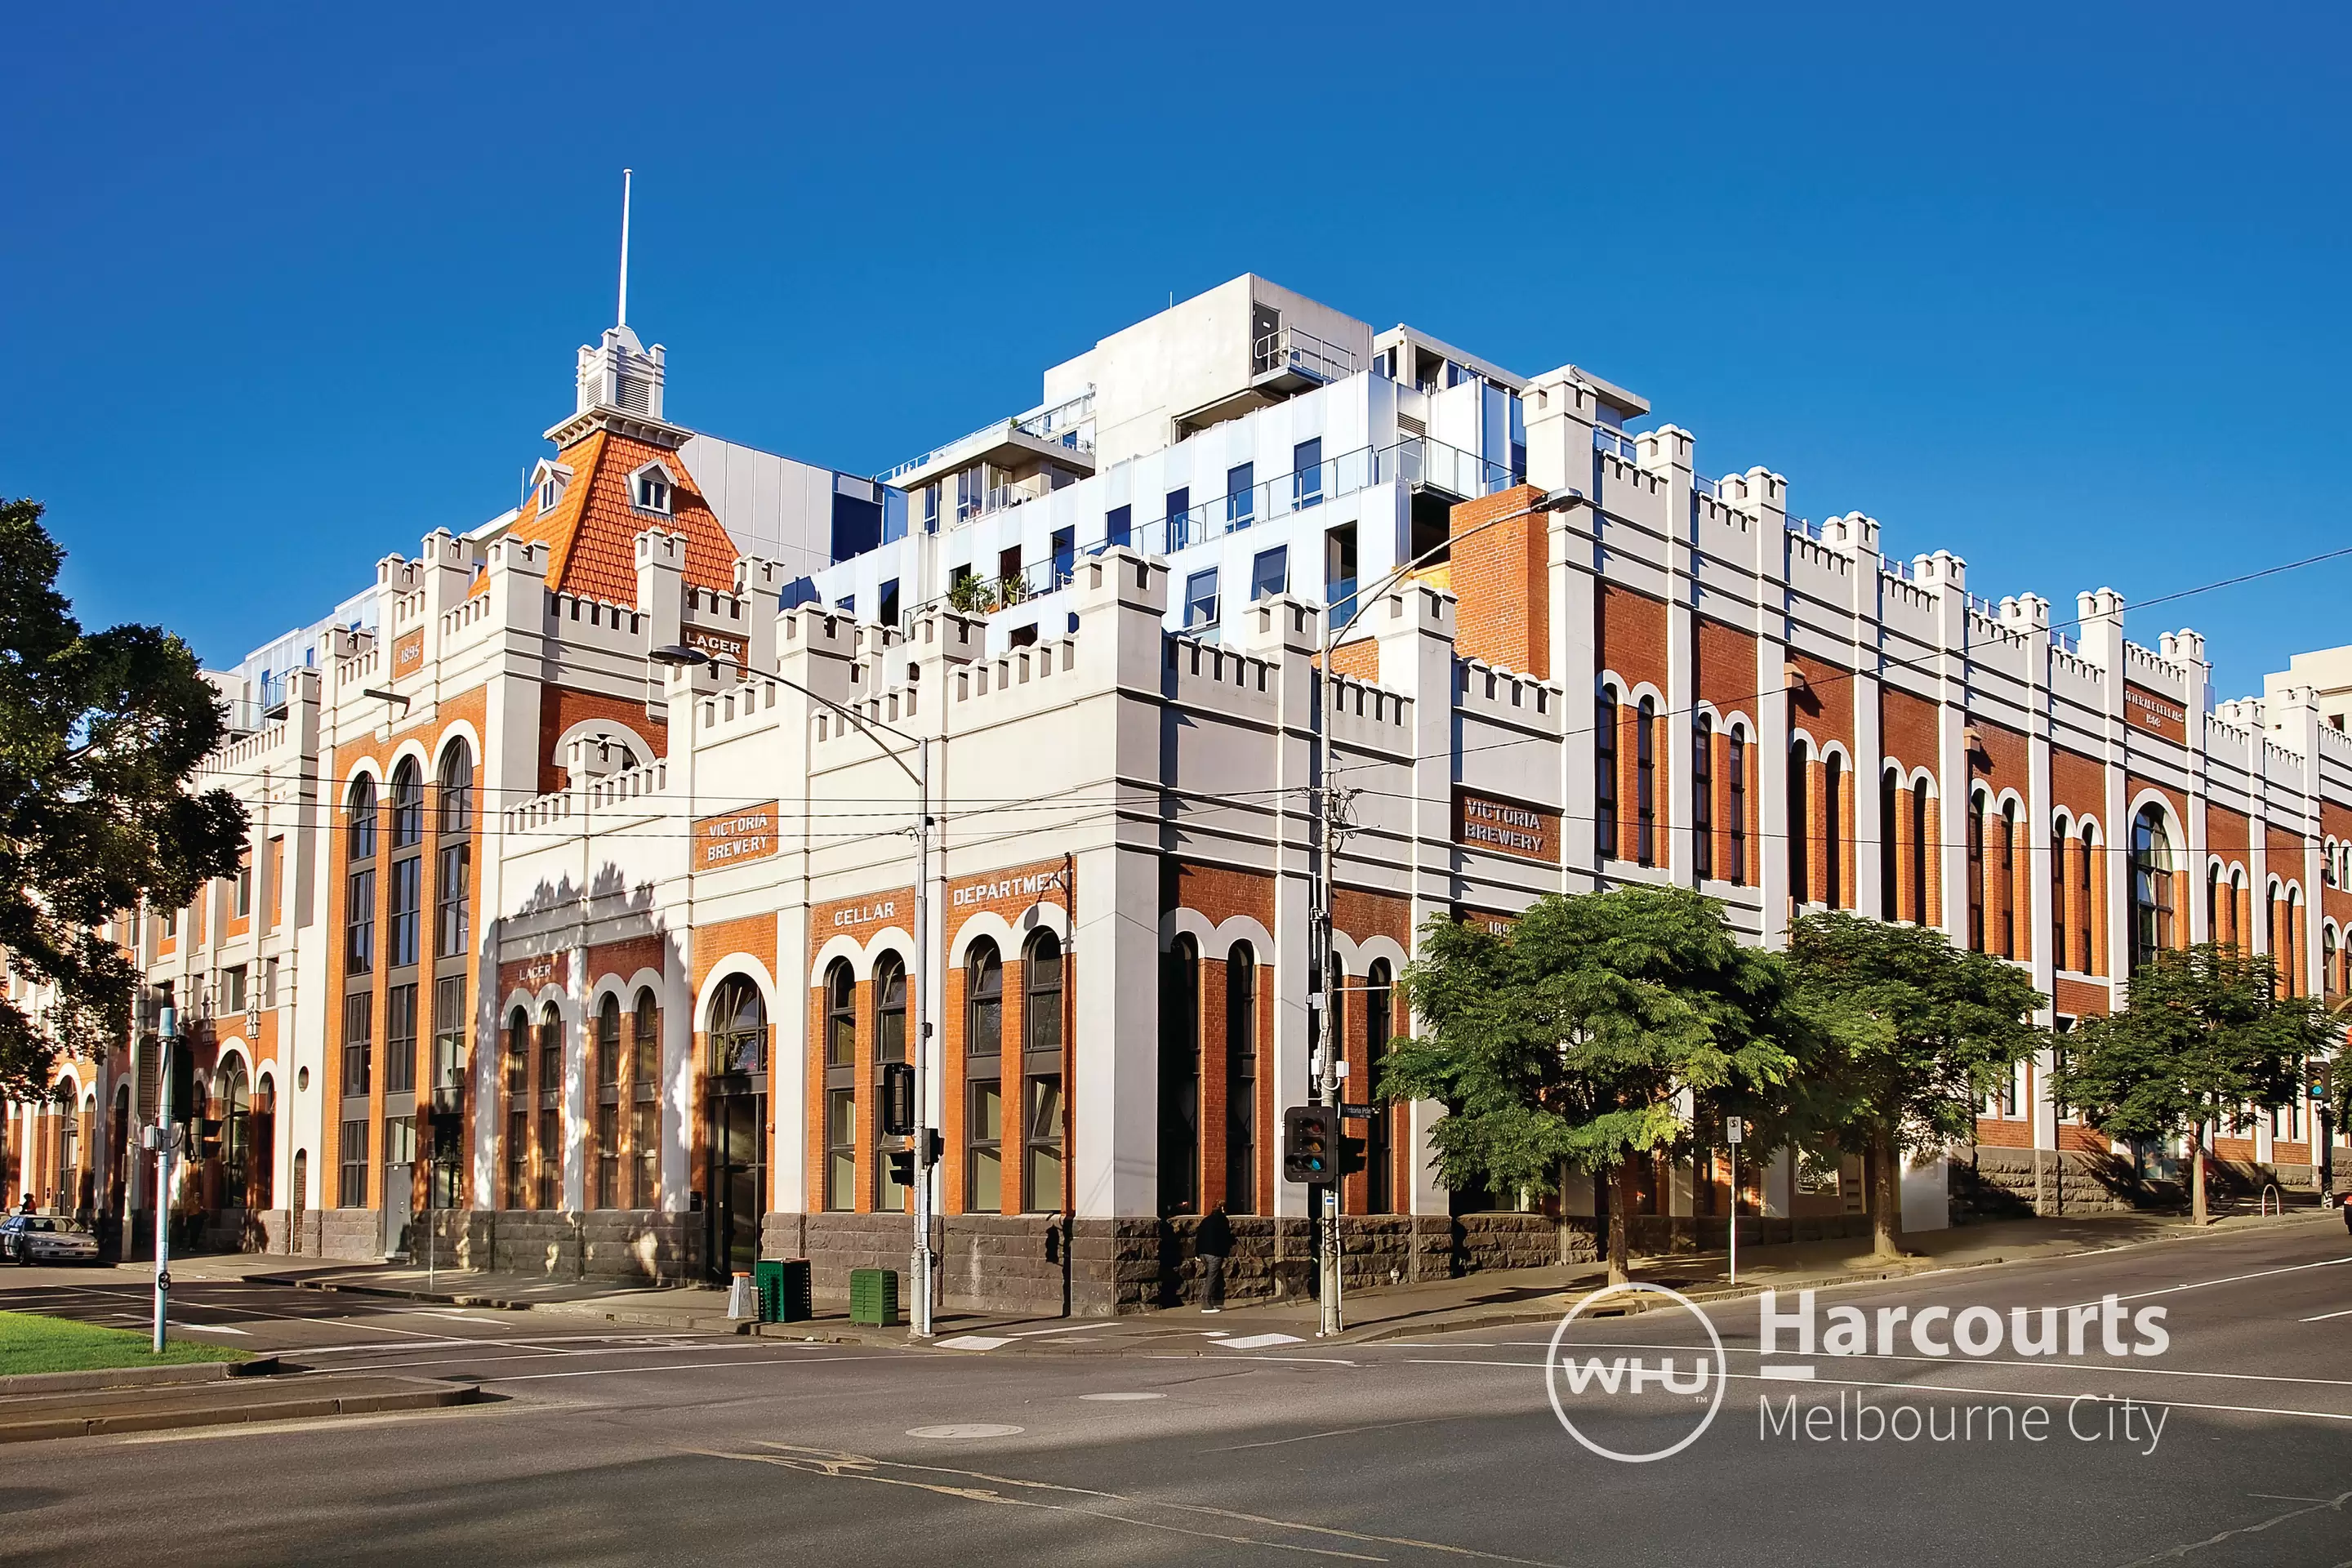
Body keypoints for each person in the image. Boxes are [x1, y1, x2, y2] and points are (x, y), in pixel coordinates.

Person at [1196, 1202, 1233, 1313]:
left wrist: (1197, 1253)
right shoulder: (1223, 1220)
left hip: (1203, 1253)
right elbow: (1225, 1238)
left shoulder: (1205, 1220)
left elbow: (1199, 1236)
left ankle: (1214, 1302)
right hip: (1215, 1254)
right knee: (1212, 1278)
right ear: (1222, 1209)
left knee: (1215, 1276)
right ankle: (1206, 1304)